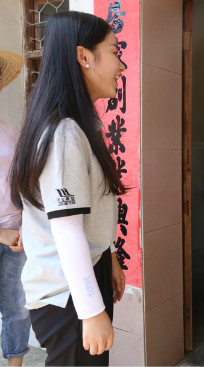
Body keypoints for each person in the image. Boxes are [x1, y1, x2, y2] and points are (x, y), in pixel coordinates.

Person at [9, 11, 126, 366]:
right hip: (68, 297)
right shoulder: (64, 133)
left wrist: (110, 259)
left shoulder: (75, 125)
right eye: (115, 51)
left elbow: (82, 220)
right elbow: (67, 227)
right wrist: (91, 311)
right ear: (84, 57)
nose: (121, 65)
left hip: (84, 277)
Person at [0, 50, 30, 367]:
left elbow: (24, 179)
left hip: (16, 235)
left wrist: (23, 226)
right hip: (5, 234)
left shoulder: (8, 131)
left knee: (17, 307)